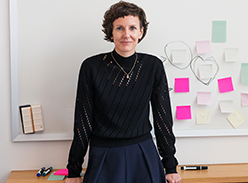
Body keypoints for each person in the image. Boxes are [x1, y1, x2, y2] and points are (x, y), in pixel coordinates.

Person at [65, 1, 181, 183]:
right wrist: (73, 170)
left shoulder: (153, 66)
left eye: (133, 28)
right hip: (104, 154)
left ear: (141, 32)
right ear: (111, 32)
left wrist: (170, 166)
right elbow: (82, 123)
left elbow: (163, 118)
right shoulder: (91, 67)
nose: (126, 35)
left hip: (143, 153)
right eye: (119, 28)